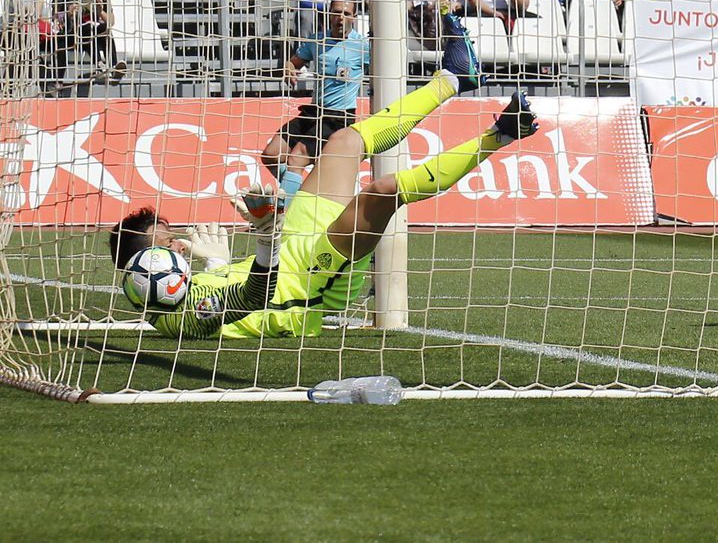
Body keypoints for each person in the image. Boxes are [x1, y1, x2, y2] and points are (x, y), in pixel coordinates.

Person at [110, 20, 540, 340]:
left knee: (345, 141)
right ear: (139, 268)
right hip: (314, 280)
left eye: (171, 236)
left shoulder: (173, 289)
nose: (177, 243)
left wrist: (217, 262)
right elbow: (253, 300)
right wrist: (264, 239)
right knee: (382, 192)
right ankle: (500, 134)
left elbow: (225, 295)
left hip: (296, 239)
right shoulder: (175, 314)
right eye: (166, 244)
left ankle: (452, 79)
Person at [260, 0, 368, 201]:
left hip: (338, 117)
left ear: (354, 17)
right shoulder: (316, 41)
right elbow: (294, 62)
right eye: (336, 13)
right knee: (271, 154)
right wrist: (289, 68)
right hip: (313, 111)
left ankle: (284, 213)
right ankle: (299, 195)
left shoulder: (363, 46)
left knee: (297, 158)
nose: (341, 18)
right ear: (329, 14)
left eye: (346, 13)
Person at [52, 0, 126, 82]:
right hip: (71, 33)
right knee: (86, 29)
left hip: (93, 31)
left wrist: (100, 12)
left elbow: (111, 21)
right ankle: (100, 66)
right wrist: (68, 12)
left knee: (104, 29)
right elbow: (55, 14)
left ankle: (114, 66)